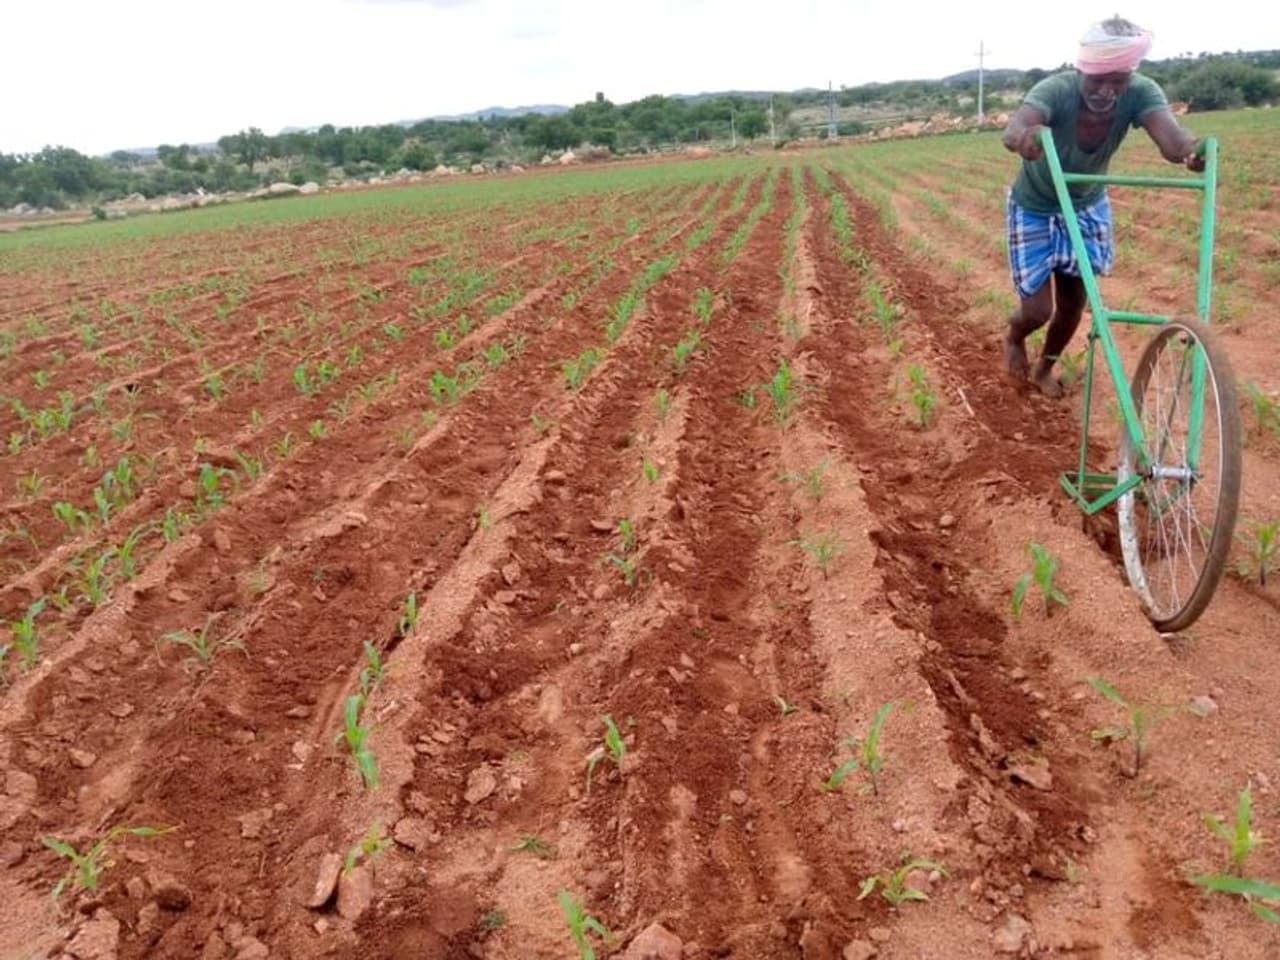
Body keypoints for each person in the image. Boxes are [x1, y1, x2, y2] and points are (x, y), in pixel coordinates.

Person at [1001, 16, 1204, 397]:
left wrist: (1192, 152)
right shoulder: (1056, 89)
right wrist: (1024, 139)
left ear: (1130, 74)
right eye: (1098, 80)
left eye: (1118, 81)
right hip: (1035, 205)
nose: (1107, 91)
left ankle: (1044, 367)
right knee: (1037, 311)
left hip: (1086, 203)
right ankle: (1014, 338)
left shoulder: (1141, 93)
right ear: (1084, 69)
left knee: (1075, 301)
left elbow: (1173, 141)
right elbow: (1015, 128)